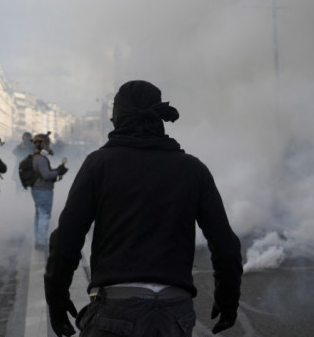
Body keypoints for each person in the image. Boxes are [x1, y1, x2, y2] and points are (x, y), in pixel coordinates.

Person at [44, 80, 243, 336]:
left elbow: (65, 242)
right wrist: (228, 301)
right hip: (174, 313)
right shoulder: (193, 169)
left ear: (116, 118)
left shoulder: (98, 165)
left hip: (115, 309)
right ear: (159, 117)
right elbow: (226, 245)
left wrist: (57, 301)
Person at [30, 132, 67, 250]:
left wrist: (56, 170)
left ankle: (38, 240)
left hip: (38, 189)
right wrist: (58, 172)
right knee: (44, 215)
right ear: (41, 145)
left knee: (38, 215)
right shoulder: (41, 159)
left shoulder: (36, 157)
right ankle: (41, 241)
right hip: (43, 190)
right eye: (46, 144)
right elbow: (46, 175)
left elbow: (43, 174)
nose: (48, 146)